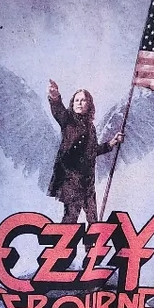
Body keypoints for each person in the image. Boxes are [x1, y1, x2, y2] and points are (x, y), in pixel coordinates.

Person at [46, 80, 124, 228]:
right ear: (72, 103)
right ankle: (63, 244)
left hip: (87, 182)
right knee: (70, 220)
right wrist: (54, 97)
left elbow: (92, 151)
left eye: (83, 100)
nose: (79, 103)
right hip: (71, 181)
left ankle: (93, 243)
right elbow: (58, 111)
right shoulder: (68, 120)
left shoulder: (90, 127)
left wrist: (112, 142)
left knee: (94, 221)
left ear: (89, 104)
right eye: (76, 100)